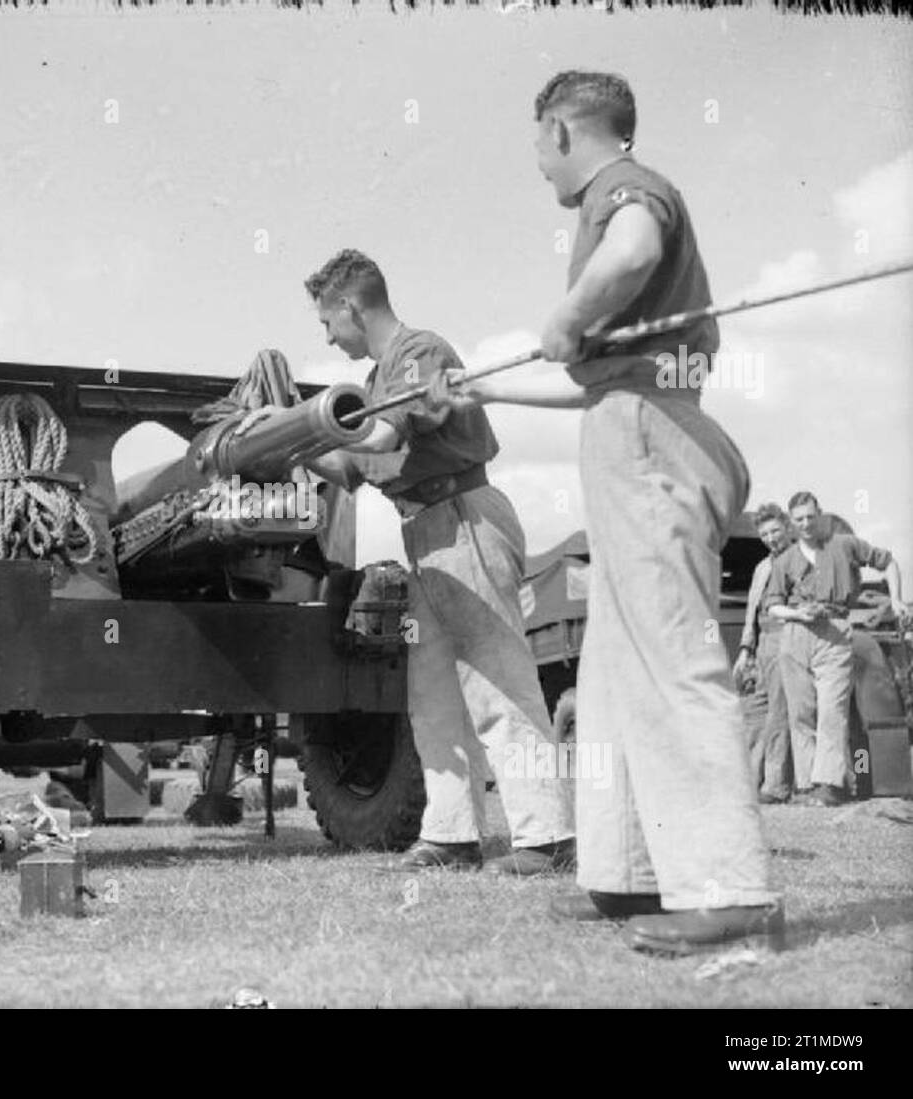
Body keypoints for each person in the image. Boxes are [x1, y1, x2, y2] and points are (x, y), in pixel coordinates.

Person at [444, 71, 782, 953]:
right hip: (634, 419)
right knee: (613, 676)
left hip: (649, 439)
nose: (538, 168)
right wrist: (484, 392)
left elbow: (630, 251)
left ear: (561, 129)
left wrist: (569, 309)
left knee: (669, 656)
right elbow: (603, 384)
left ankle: (727, 888)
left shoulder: (622, 193)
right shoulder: (619, 209)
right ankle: (630, 876)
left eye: (536, 146)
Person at [239, 249, 575, 874]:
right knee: (432, 691)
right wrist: (284, 436)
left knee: (496, 679)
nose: (327, 336)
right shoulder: (376, 379)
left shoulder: (421, 353)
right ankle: (451, 834)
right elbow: (347, 468)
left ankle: (549, 836)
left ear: (349, 306)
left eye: (326, 323)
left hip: (464, 518)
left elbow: (380, 439)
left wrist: (294, 422)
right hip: (425, 530)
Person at [764, 491, 906, 806]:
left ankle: (828, 785)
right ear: (791, 522)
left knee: (832, 711)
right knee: (801, 714)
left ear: (820, 514)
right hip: (795, 634)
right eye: (798, 519)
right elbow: (772, 605)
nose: (805, 524)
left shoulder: (844, 545)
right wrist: (797, 613)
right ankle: (806, 786)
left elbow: (889, 562)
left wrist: (896, 599)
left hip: (835, 631)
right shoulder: (785, 561)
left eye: (810, 517)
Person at [733, 503, 800, 803]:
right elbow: (751, 611)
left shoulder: (800, 561)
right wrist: (746, 649)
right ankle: (746, 782)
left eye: (775, 531)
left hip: (785, 640)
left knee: (779, 713)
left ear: (787, 527)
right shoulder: (762, 567)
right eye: (764, 534)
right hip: (761, 646)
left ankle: (775, 785)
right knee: (753, 713)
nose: (771, 538)